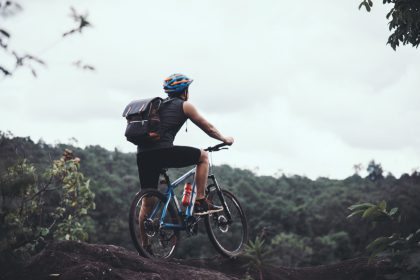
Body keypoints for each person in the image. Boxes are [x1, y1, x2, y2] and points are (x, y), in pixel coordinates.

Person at [136, 73, 234, 215]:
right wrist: (225, 139)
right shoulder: (185, 106)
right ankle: (200, 201)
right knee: (203, 156)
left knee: (147, 200)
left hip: (143, 154)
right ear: (185, 90)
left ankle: (142, 238)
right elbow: (208, 128)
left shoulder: (157, 106)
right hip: (163, 152)